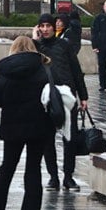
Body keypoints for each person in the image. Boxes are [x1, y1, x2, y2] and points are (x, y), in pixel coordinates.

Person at [0, 36, 55, 210]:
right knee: (33, 169)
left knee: (7, 167)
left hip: (12, 125)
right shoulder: (44, 68)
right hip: (39, 126)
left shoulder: (5, 70)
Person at [34, 13, 89, 191]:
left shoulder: (64, 46)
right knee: (46, 139)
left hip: (67, 96)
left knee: (70, 138)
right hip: (46, 98)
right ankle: (53, 176)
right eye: (41, 26)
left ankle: (68, 176)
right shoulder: (36, 46)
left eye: (48, 25)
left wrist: (83, 96)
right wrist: (35, 41)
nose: (45, 29)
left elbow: (76, 70)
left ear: (54, 26)